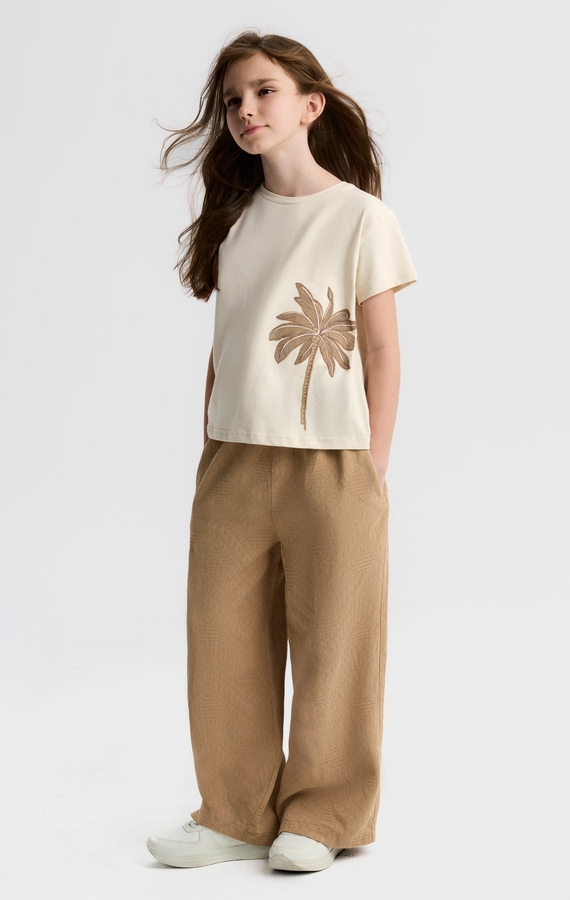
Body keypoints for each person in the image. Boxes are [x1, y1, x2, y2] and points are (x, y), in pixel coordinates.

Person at [146, 30, 418, 873]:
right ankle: (235, 812)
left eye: (264, 91)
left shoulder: (361, 217)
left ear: (310, 104)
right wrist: (209, 447)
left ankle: (325, 814)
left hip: (333, 463)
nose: (245, 110)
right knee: (221, 638)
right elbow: (225, 347)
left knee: (337, 641)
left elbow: (382, 351)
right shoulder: (233, 220)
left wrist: (371, 467)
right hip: (233, 460)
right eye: (233, 99)